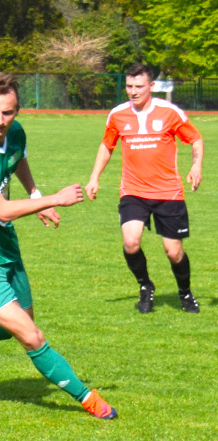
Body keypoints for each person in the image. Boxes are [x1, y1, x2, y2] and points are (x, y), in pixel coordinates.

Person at [0, 73, 117, 420]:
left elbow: (17, 159)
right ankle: (88, 400)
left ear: (17, 111)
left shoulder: (15, 133)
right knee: (31, 335)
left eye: (7, 113)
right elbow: (3, 209)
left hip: (4, 246)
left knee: (21, 322)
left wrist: (36, 194)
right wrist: (54, 198)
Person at [86, 64, 204, 314]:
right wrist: (94, 177)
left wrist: (196, 166)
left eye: (139, 86)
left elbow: (195, 139)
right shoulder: (117, 115)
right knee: (131, 242)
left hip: (168, 193)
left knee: (173, 252)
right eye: (129, 86)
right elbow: (107, 146)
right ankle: (145, 286)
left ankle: (185, 292)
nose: (133, 91)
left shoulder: (170, 112)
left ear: (151, 87)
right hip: (133, 191)